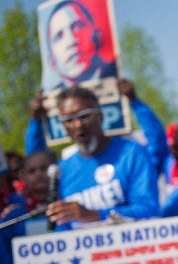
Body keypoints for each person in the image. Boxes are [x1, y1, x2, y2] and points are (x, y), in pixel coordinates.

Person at [41, 86, 158, 230]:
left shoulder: (131, 153)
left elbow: (149, 210)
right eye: (69, 120)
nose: (78, 125)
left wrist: (96, 216)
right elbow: (62, 230)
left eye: (84, 116)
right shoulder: (62, 170)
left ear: (101, 117)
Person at [45, 0, 117, 90]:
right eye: (59, 36)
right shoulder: (51, 100)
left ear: (98, 36)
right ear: (52, 62)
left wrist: (132, 99)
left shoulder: (118, 81)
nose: (71, 41)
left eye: (77, 26)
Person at [0, 151, 56, 264]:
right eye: (32, 171)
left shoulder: (72, 205)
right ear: (22, 176)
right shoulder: (13, 216)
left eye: (44, 168)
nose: (39, 174)